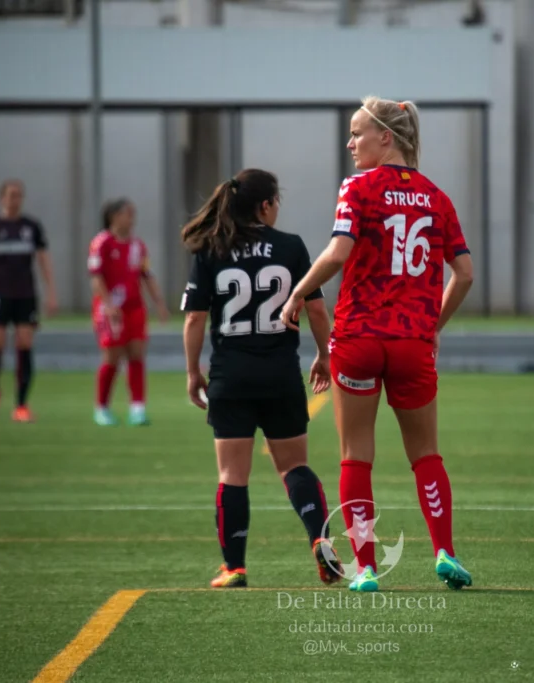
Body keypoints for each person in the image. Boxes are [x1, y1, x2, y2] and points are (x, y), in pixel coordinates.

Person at [280, 95, 475, 592]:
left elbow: (338, 252)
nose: (350, 143)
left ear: (385, 138)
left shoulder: (359, 188)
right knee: (426, 453)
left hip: (360, 337)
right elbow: (466, 274)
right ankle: (445, 552)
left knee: (355, 454)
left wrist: (299, 292)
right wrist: (433, 325)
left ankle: (365, 567)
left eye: (357, 133)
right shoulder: (437, 196)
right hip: (412, 341)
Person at [182, 169, 342, 589]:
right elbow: (318, 311)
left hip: (230, 378)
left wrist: (191, 370)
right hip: (279, 375)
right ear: (266, 205)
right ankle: (320, 542)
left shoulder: (212, 248)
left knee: (232, 475)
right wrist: (325, 356)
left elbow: (195, 317)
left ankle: (234, 568)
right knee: (295, 467)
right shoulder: (290, 247)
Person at [0, 180, 58, 423]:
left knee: (24, 344)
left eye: (19, 195)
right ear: (2, 198)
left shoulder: (31, 227)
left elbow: (43, 260)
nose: (14, 199)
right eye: (10, 195)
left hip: (25, 294)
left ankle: (21, 404)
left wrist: (51, 292)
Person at [89, 198, 169, 426]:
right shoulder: (101, 243)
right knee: (112, 357)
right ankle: (102, 408)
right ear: (114, 216)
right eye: (128, 213)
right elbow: (96, 278)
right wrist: (108, 305)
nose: (132, 218)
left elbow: (147, 275)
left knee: (136, 354)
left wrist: (159, 303)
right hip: (110, 310)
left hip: (134, 307)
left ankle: (137, 408)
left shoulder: (137, 245)